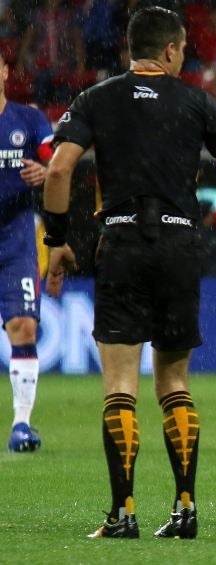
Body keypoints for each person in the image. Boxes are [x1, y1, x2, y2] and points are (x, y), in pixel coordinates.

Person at [42, 6, 216, 539]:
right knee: (174, 381)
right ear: (169, 51)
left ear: (130, 49)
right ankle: (186, 507)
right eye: (183, 48)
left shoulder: (95, 99)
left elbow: (57, 169)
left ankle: (122, 514)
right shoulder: (198, 103)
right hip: (178, 245)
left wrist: (55, 242)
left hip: (120, 241)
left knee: (121, 384)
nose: (184, 55)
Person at [0, 51, 53, 453]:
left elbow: (58, 166)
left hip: (16, 240)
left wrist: (46, 173)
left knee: (25, 327)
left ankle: (21, 424)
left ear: (4, 71)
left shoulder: (30, 120)